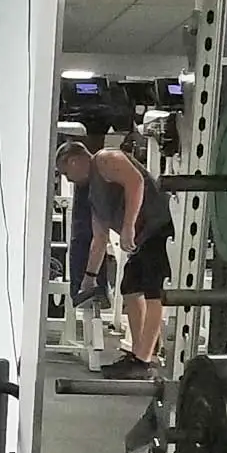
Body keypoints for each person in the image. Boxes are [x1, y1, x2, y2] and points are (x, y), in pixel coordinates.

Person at [57, 140, 176, 380]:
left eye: (65, 172)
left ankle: (143, 360)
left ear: (74, 160)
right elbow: (99, 239)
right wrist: (89, 279)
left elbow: (136, 182)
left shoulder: (105, 159)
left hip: (159, 225)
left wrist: (128, 226)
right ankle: (143, 353)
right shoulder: (92, 196)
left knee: (153, 290)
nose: (67, 180)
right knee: (130, 288)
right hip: (143, 237)